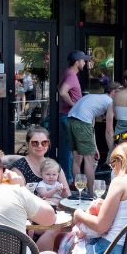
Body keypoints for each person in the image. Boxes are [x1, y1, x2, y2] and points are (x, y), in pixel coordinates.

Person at [67, 85, 117, 197]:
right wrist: (113, 150)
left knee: (76, 159)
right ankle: (91, 194)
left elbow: (91, 127)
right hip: (82, 123)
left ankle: (79, 192)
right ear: (113, 92)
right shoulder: (110, 102)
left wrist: (95, 147)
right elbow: (109, 130)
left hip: (70, 120)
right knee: (89, 161)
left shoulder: (96, 99)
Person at [57, 50, 88, 182]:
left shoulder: (68, 72)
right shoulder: (71, 75)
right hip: (69, 116)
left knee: (66, 149)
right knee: (72, 151)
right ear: (77, 62)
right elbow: (62, 91)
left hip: (66, 115)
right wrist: (74, 105)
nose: (85, 63)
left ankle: (66, 178)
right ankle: (69, 180)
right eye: (83, 61)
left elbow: (59, 88)